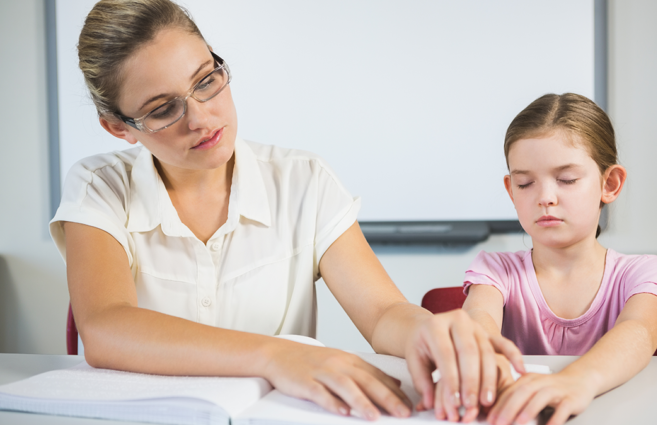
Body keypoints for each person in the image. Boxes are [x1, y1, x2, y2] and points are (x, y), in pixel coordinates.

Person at [49, 0, 527, 421]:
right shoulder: (99, 187)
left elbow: (382, 314)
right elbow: (106, 327)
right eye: (162, 109)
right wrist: (276, 355)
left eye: (206, 81)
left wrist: (433, 332)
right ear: (119, 128)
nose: (201, 117)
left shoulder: (303, 181)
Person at [457, 93, 657, 425]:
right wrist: (481, 358)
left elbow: (638, 330)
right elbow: (479, 321)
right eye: (525, 183)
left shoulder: (644, 274)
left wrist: (575, 381)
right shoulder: (495, 271)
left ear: (609, 184)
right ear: (511, 190)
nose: (545, 198)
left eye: (566, 180)